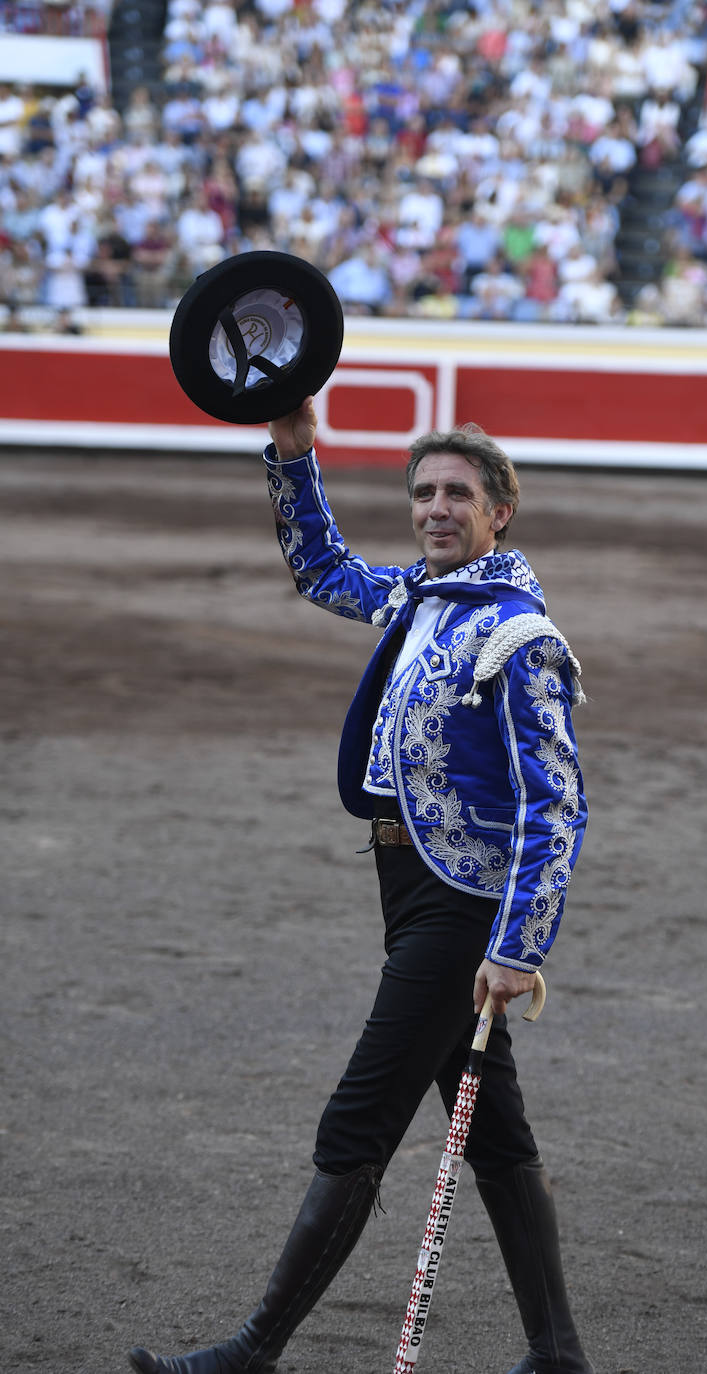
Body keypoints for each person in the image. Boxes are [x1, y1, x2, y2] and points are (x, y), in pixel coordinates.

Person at [128, 402, 592, 1374]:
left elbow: (557, 807)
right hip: (408, 893)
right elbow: (323, 571)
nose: (434, 508)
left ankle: (255, 1349)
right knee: (495, 1136)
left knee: (358, 1120)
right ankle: (558, 1356)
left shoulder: (517, 636)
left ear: (500, 511)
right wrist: (295, 456)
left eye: (456, 494)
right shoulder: (425, 599)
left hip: (462, 914)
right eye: (422, 491)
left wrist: (517, 947)